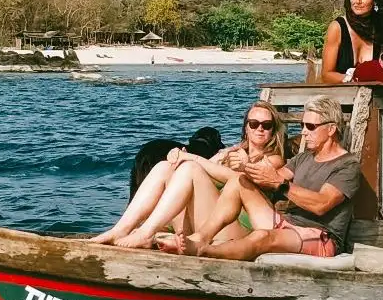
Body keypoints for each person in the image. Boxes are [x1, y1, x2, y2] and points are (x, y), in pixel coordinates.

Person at [162, 94, 360, 261]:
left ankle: (205, 251)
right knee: (239, 182)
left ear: (331, 129)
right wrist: (245, 168)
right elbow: (268, 178)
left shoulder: (347, 165)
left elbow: (321, 204)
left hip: (320, 236)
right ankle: (201, 238)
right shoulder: (304, 158)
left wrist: (281, 185)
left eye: (310, 126)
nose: (303, 132)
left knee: (263, 237)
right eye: (302, 125)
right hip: (286, 223)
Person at [93, 106, 285, 247]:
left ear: (273, 131)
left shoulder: (273, 160)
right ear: (246, 128)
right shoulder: (228, 153)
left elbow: (234, 178)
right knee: (165, 167)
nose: (260, 128)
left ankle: (146, 233)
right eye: (254, 123)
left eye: (266, 125)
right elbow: (209, 176)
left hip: (237, 231)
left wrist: (193, 158)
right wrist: (185, 157)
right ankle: (121, 229)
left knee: (190, 168)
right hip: (204, 224)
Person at [128, 127, 224, 198]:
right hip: (154, 155)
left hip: (143, 154)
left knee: (136, 196)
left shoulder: (185, 147)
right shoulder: (205, 155)